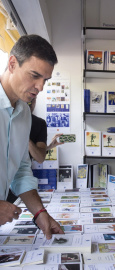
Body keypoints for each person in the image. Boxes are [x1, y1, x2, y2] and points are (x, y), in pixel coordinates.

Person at [0, 34, 64, 239]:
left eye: (45, 79)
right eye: (34, 75)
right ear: (12, 64)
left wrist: (39, 213)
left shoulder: (24, 113)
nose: (40, 87)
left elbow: (20, 170)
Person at [28, 97, 63, 163]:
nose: (30, 103)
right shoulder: (8, 120)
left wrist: (47, 147)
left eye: (33, 99)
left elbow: (40, 158)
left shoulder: (39, 123)